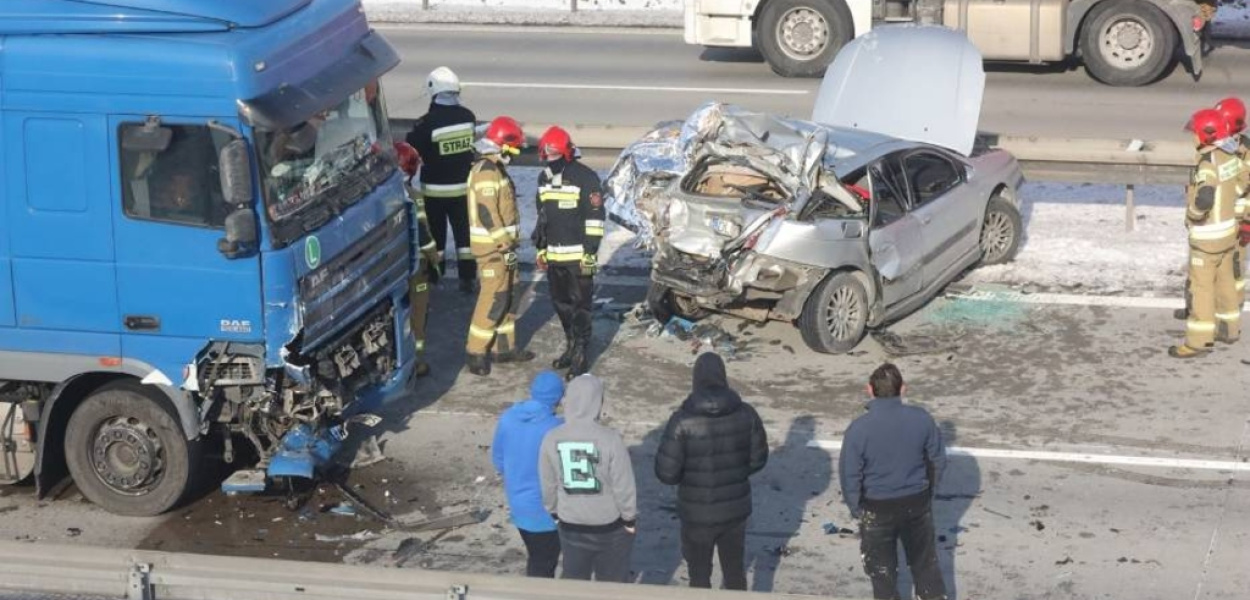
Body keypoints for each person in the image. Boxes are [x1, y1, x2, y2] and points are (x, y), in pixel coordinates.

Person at [654, 352, 769, 590]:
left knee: (699, 576)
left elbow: (666, 473)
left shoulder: (682, 421)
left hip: (696, 514)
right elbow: (758, 460)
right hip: (735, 511)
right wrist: (735, 473)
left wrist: (690, 479)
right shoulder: (746, 414)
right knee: (735, 572)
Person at [839, 363, 947, 600]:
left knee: (882, 574)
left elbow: (849, 475)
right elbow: (937, 460)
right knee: (925, 566)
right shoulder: (922, 419)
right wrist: (929, 494)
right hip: (916, 502)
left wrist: (857, 509)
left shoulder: (858, 429)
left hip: (876, 508)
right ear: (903, 389)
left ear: (870, 389)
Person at [539, 374, 637, 582]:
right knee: (611, 584)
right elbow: (623, 485)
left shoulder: (551, 437)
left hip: (570, 522)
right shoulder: (611, 438)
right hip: (609, 525)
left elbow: (548, 483)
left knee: (574, 581)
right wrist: (629, 518)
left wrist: (553, 511)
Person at [532, 127, 606, 380]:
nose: (549, 159)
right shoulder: (544, 178)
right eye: (546, 155)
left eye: (553, 155)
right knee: (561, 304)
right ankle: (571, 346)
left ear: (565, 153)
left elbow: (595, 219)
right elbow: (543, 217)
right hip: (554, 256)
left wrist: (590, 253)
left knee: (580, 307)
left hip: (578, 258)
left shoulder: (586, 178)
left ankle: (581, 356)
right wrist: (541, 248)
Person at [463, 116, 534, 376]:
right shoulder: (486, 171)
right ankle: (476, 352)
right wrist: (503, 242)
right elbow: (487, 212)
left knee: (510, 294)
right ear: (501, 145)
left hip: (506, 249)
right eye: (512, 149)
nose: (514, 154)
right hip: (493, 250)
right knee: (493, 298)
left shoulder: (496, 168)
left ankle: (503, 348)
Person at [1170, 108, 1243, 358]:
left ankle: (1198, 342)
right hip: (1228, 234)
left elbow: (1204, 198)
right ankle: (1228, 329)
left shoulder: (1207, 163)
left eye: (1195, 133)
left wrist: (1193, 215)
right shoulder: (1229, 156)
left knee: (1201, 289)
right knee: (1226, 283)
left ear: (1206, 135)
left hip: (1207, 238)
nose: (1193, 137)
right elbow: (1242, 183)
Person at [406, 67, 478, 294]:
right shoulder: (468, 117)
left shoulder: (426, 123)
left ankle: (436, 275)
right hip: (463, 189)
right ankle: (467, 278)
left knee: (436, 237)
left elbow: (411, 148)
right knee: (465, 238)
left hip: (434, 192)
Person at [492, 371, 566, 578]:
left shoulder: (508, 418)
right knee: (544, 562)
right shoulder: (556, 428)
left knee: (537, 557)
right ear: (559, 398)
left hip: (518, 505)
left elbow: (498, 460)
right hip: (545, 512)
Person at [393, 141, 441, 378]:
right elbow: (423, 234)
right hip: (415, 267)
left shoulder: (382, 195)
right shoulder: (414, 197)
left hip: (392, 268)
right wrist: (435, 262)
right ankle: (416, 362)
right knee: (418, 315)